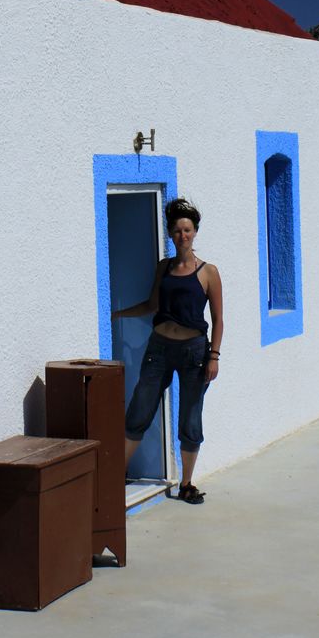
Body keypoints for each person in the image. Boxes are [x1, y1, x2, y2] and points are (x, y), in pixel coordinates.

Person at [111, 197, 223, 505]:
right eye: (176, 231)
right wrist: (116, 314)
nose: (182, 236)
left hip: (194, 352)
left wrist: (213, 357)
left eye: (187, 230)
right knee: (139, 409)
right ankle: (114, 476)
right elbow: (152, 306)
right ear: (171, 234)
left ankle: (186, 483)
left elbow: (218, 320)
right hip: (158, 348)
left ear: (195, 232)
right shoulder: (164, 267)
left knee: (190, 417)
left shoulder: (208, 272)